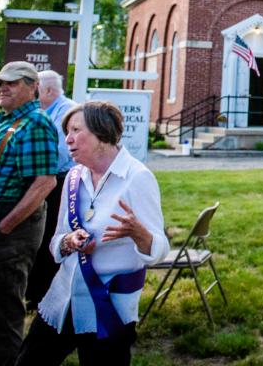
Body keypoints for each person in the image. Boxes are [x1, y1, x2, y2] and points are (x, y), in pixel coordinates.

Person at [15, 102, 167, 366]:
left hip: (109, 306)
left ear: (102, 133)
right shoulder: (73, 177)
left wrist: (139, 233)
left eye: (75, 130)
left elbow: (159, 250)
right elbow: (56, 242)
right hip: (63, 298)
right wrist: (68, 241)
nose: (68, 139)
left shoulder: (137, 177)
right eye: (66, 131)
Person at [0, 62, 58, 366]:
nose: (2, 87)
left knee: (5, 307)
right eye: (0, 82)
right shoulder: (6, 119)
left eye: (12, 83)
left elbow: (45, 182)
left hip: (12, 225)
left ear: (33, 87)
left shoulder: (36, 122)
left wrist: (5, 226)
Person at [26, 70, 77, 307]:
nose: (33, 94)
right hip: (49, 179)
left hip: (60, 182)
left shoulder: (67, 112)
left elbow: (58, 153)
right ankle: (35, 291)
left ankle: (42, 295)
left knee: (49, 234)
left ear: (47, 91)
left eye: (35, 89)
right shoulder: (46, 111)